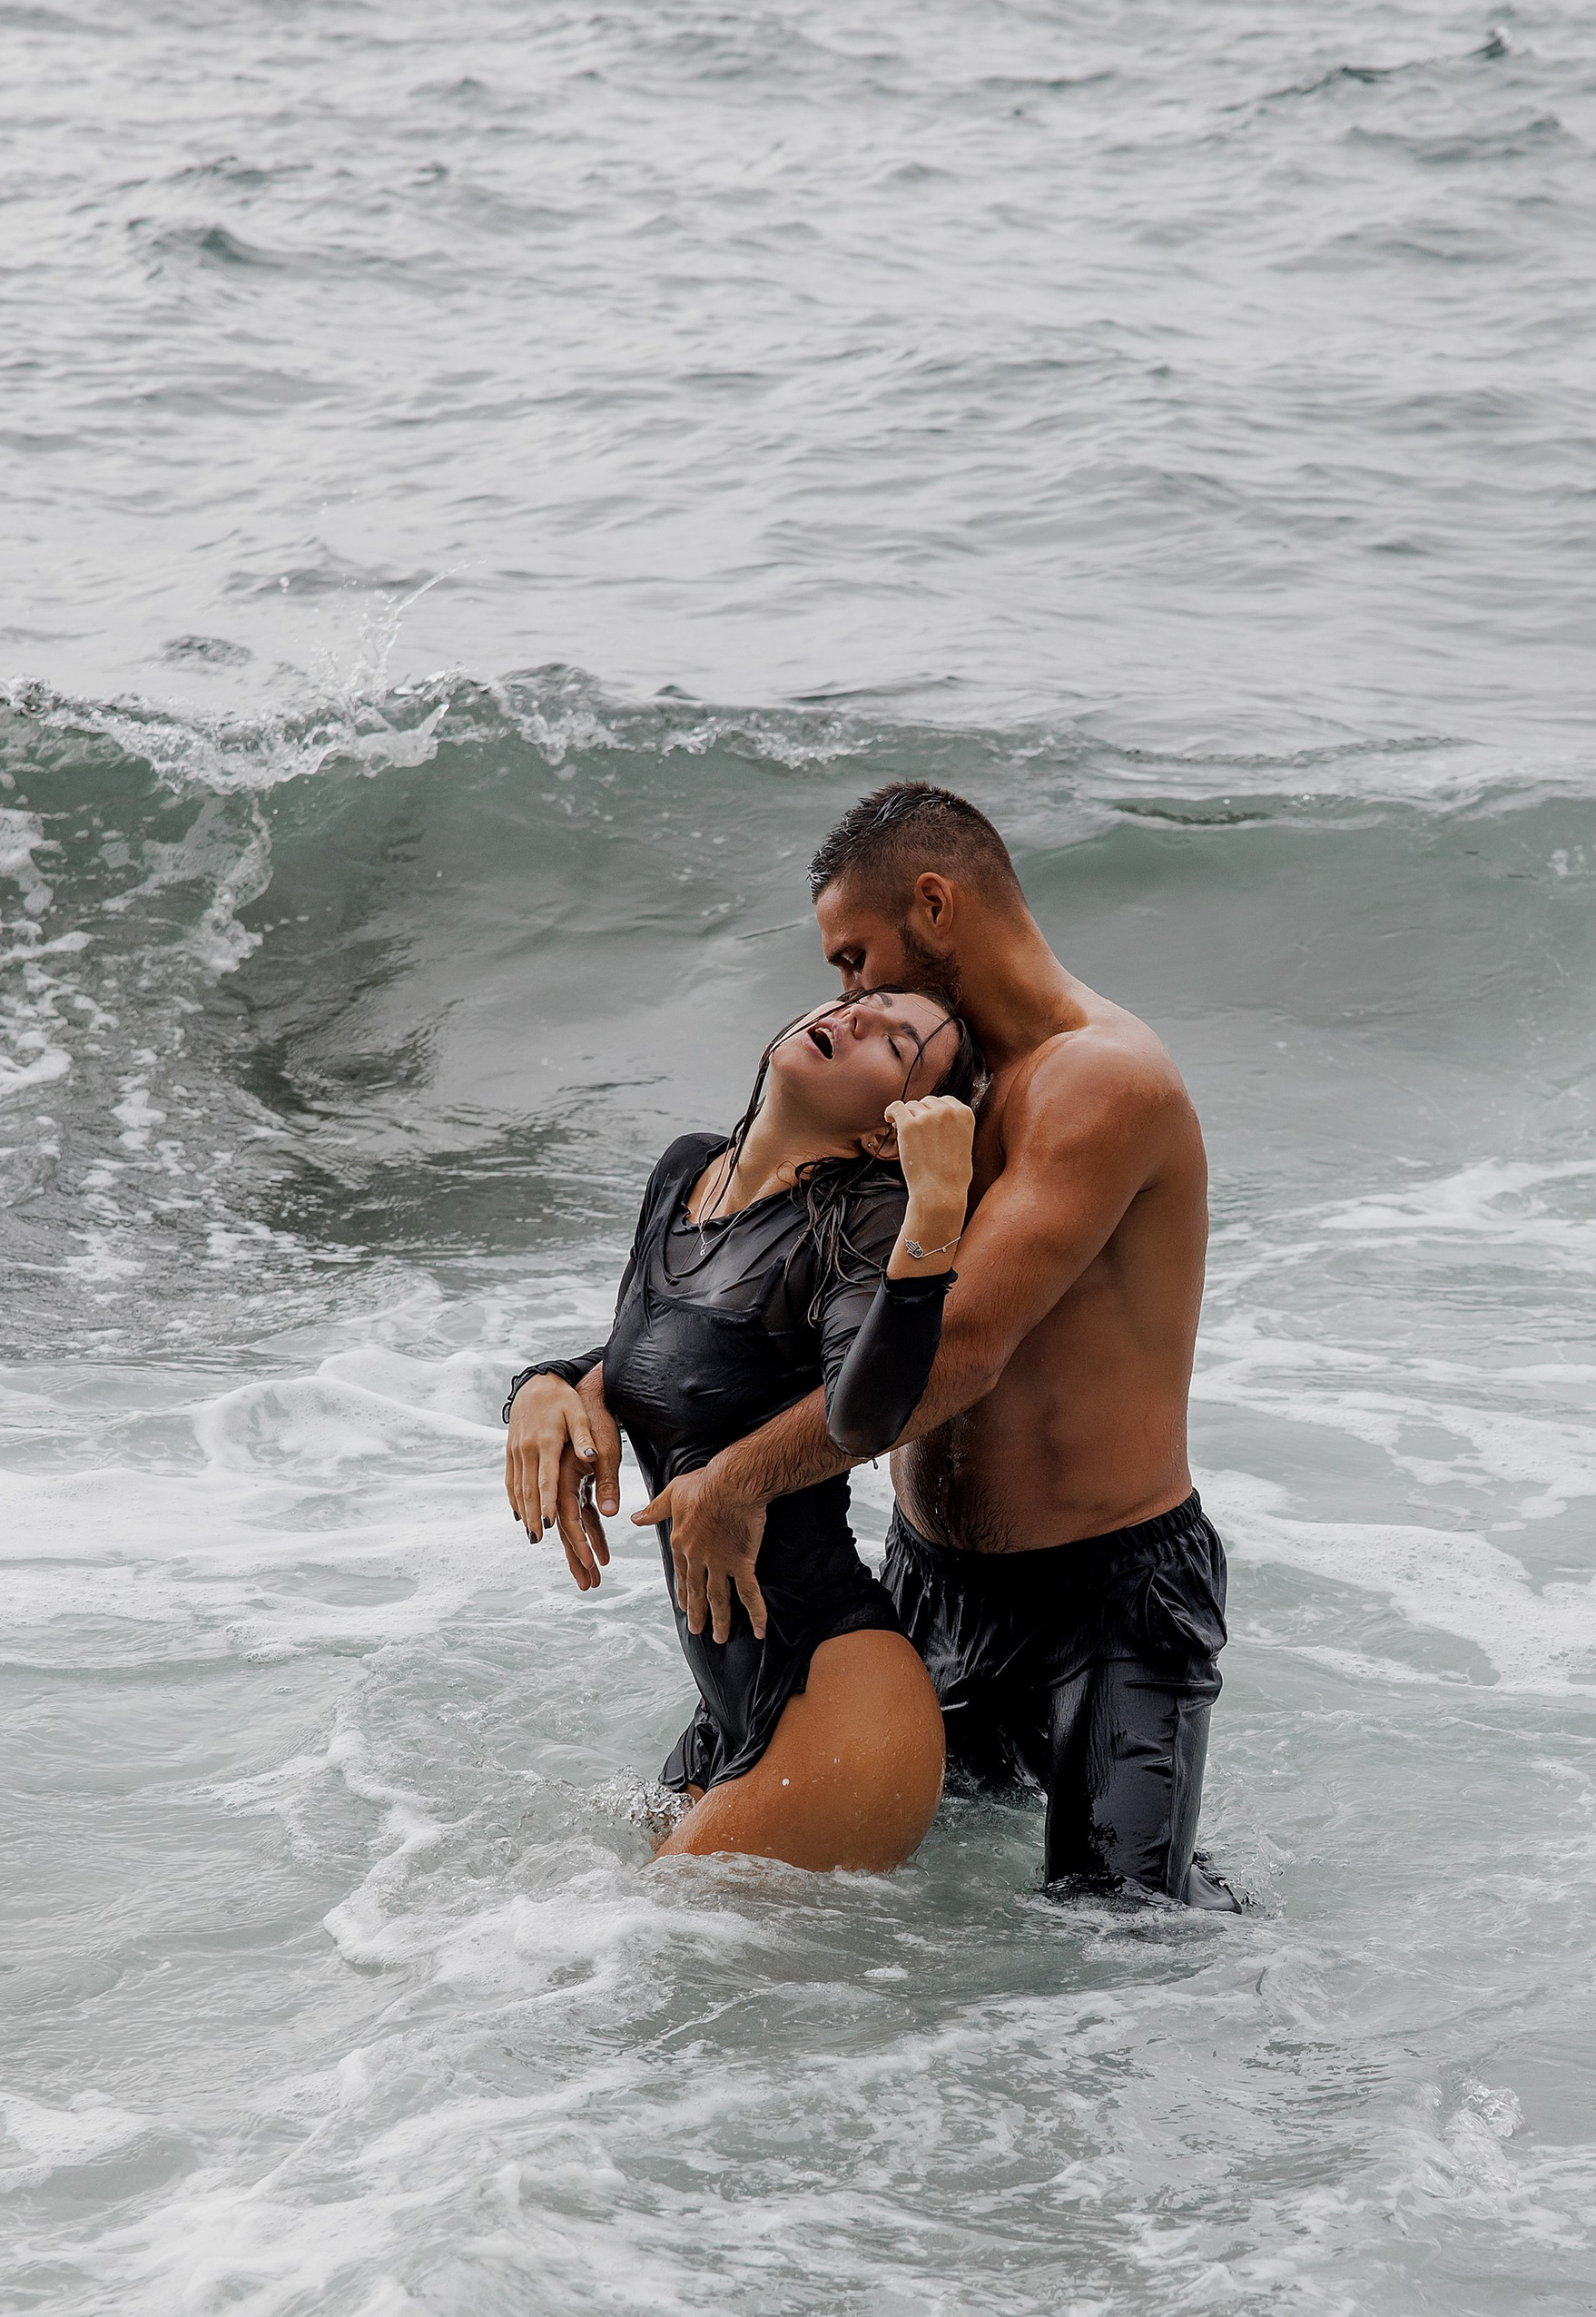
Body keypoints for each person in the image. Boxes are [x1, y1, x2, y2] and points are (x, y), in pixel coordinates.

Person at [512, 783, 1238, 1908]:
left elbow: (959, 1355)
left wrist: (740, 1476)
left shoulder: (1093, 1082)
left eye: (857, 958)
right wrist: (567, 1380)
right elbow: (742, 1298)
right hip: (934, 1580)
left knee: (1125, 1938)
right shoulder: (917, 1085)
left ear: (936, 905)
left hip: (1104, 1603)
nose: (845, 992)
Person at [502, 987, 981, 1868]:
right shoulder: (687, 1172)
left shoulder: (866, 1214)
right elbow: (649, 1357)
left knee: (613, 1969)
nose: (854, 1018)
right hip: (724, 1718)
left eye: (896, 1038)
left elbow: (866, 1413)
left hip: (840, 1705)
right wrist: (541, 1384)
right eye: (859, 1002)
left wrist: (934, 1216)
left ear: (890, 1129)